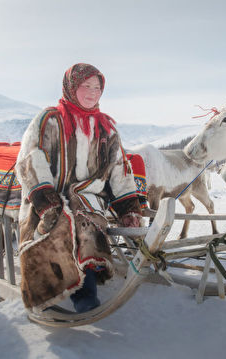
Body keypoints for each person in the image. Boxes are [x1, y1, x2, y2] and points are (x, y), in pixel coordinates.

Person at [15, 63, 142, 313]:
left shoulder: (106, 127)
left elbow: (119, 168)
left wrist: (128, 207)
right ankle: (49, 290)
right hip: (49, 195)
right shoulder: (49, 119)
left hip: (88, 197)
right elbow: (30, 157)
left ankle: (86, 292)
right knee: (60, 224)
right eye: (86, 86)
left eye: (97, 87)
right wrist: (46, 199)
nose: (92, 92)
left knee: (88, 223)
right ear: (72, 87)